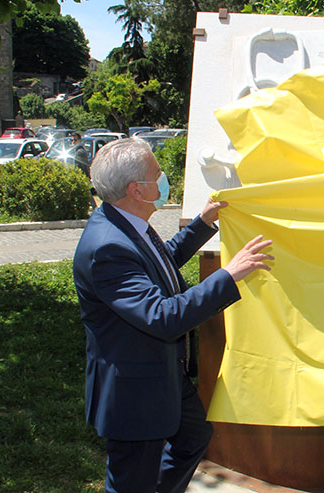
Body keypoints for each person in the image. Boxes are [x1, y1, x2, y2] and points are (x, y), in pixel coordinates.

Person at [72, 138, 274, 492]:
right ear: (137, 190)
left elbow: (158, 262)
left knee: (193, 438)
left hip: (162, 374)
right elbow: (162, 316)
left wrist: (203, 223)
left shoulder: (126, 222)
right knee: (131, 481)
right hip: (134, 392)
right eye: (157, 173)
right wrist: (229, 274)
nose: (165, 178)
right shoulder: (107, 246)